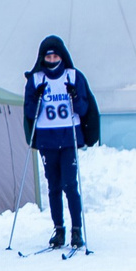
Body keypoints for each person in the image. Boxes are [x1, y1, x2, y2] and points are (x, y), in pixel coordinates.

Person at [23, 34, 98, 252]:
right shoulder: (36, 79)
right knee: (53, 187)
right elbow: (29, 112)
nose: (53, 60)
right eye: (49, 56)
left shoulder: (74, 76)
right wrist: (36, 98)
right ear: (43, 58)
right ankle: (59, 229)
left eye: (56, 56)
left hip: (68, 139)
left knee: (70, 185)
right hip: (47, 140)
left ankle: (76, 230)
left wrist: (74, 96)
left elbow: (83, 109)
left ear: (62, 56)